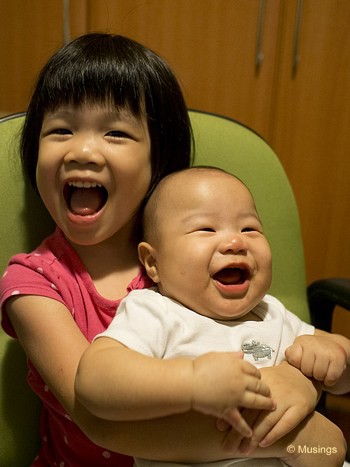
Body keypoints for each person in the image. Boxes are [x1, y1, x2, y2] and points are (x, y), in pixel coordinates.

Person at [0, 32, 343, 467]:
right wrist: (287, 435)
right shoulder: (33, 284)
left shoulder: (195, 260)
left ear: (158, 161)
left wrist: (300, 379)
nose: (83, 150)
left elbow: (266, 341)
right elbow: (99, 421)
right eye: (61, 129)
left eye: (116, 133)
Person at [75, 167, 349, 466]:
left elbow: (343, 377)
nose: (236, 242)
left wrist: (334, 355)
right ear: (154, 262)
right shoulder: (156, 312)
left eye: (250, 229)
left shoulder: (272, 313)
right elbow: (93, 379)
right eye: (206, 229)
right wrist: (191, 382)